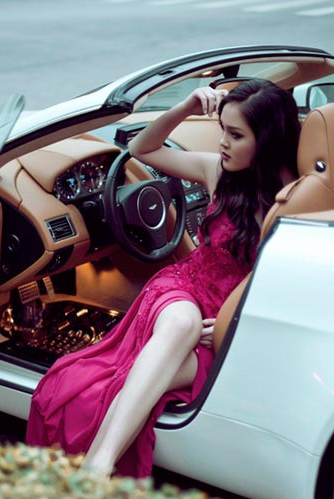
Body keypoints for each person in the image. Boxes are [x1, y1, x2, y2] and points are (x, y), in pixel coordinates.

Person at [26, 78, 301, 478]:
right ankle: (99, 465)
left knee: (134, 382)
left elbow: (287, 288)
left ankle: (94, 466)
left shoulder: (298, 199)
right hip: (184, 289)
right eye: (222, 130)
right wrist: (186, 107)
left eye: (236, 135)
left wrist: (233, 323)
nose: (223, 142)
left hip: (227, 320)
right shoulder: (218, 171)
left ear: (269, 140)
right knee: (181, 324)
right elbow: (143, 149)